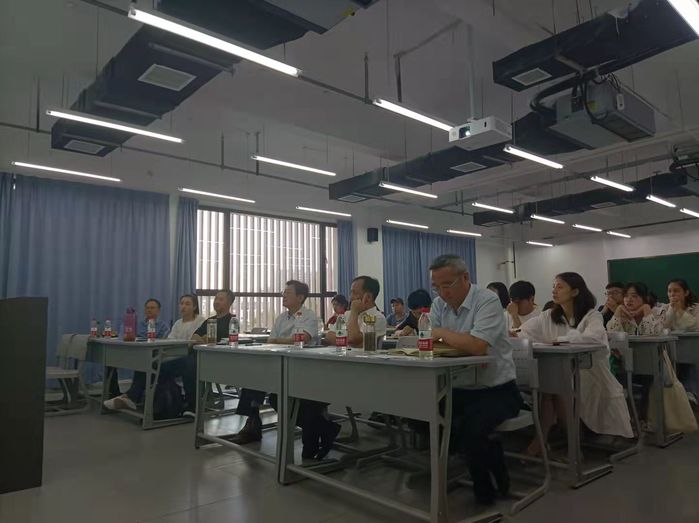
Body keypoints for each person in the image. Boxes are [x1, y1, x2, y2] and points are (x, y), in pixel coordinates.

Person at [428, 255, 520, 506]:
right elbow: (432, 344)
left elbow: (478, 346)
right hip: (459, 388)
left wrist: (443, 334)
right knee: (422, 415)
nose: (442, 293)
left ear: (465, 278)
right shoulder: (438, 304)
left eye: (447, 285)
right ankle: (485, 457)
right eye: (436, 287)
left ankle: (487, 491)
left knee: (472, 428)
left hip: (498, 390)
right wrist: (461, 340)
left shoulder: (487, 300)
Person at [517, 272, 633, 457]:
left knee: (555, 388)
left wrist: (559, 340)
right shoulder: (548, 315)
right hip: (564, 374)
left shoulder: (592, 315)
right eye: (553, 286)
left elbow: (594, 337)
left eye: (560, 286)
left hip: (591, 373)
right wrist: (514, 333)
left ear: (575, 291)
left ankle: (554, 443)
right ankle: (565, 444)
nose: (554, 290)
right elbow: (523, 332)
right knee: (553, 386)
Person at [232, 281, 338, 459]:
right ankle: (252, 420)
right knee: (254, 378)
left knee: (277, 397)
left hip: (303, 368)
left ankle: (323, 428)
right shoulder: (281, 317)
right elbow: (270, 341)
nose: (283, 296)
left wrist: (279, 341)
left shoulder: (309, 316)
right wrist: (282, 341)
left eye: (288, 293)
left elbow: (301, 339)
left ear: (300, 297)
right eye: (284, 292)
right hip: (279, 364)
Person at [104, 298, 171, 409]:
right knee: (110, 360)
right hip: (134, 353)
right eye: (147, 308)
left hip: (152, 356)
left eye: (152, 308)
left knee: (144, 364)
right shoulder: (137, 323)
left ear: (158, 311)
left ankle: (130, 397)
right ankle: (114, 394)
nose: (149, 310)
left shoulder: (163, 327)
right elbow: (125, 335)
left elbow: (162, 345)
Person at [326, 276, 387, 348]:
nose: (350, 297)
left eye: (354, 293)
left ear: (368, 297)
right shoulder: (347, 314)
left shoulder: (378, 317)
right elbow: (329, 336)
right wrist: (348, 340)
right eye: (351, 292)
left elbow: (353, 339)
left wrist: (354, 312)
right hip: (343, 354)